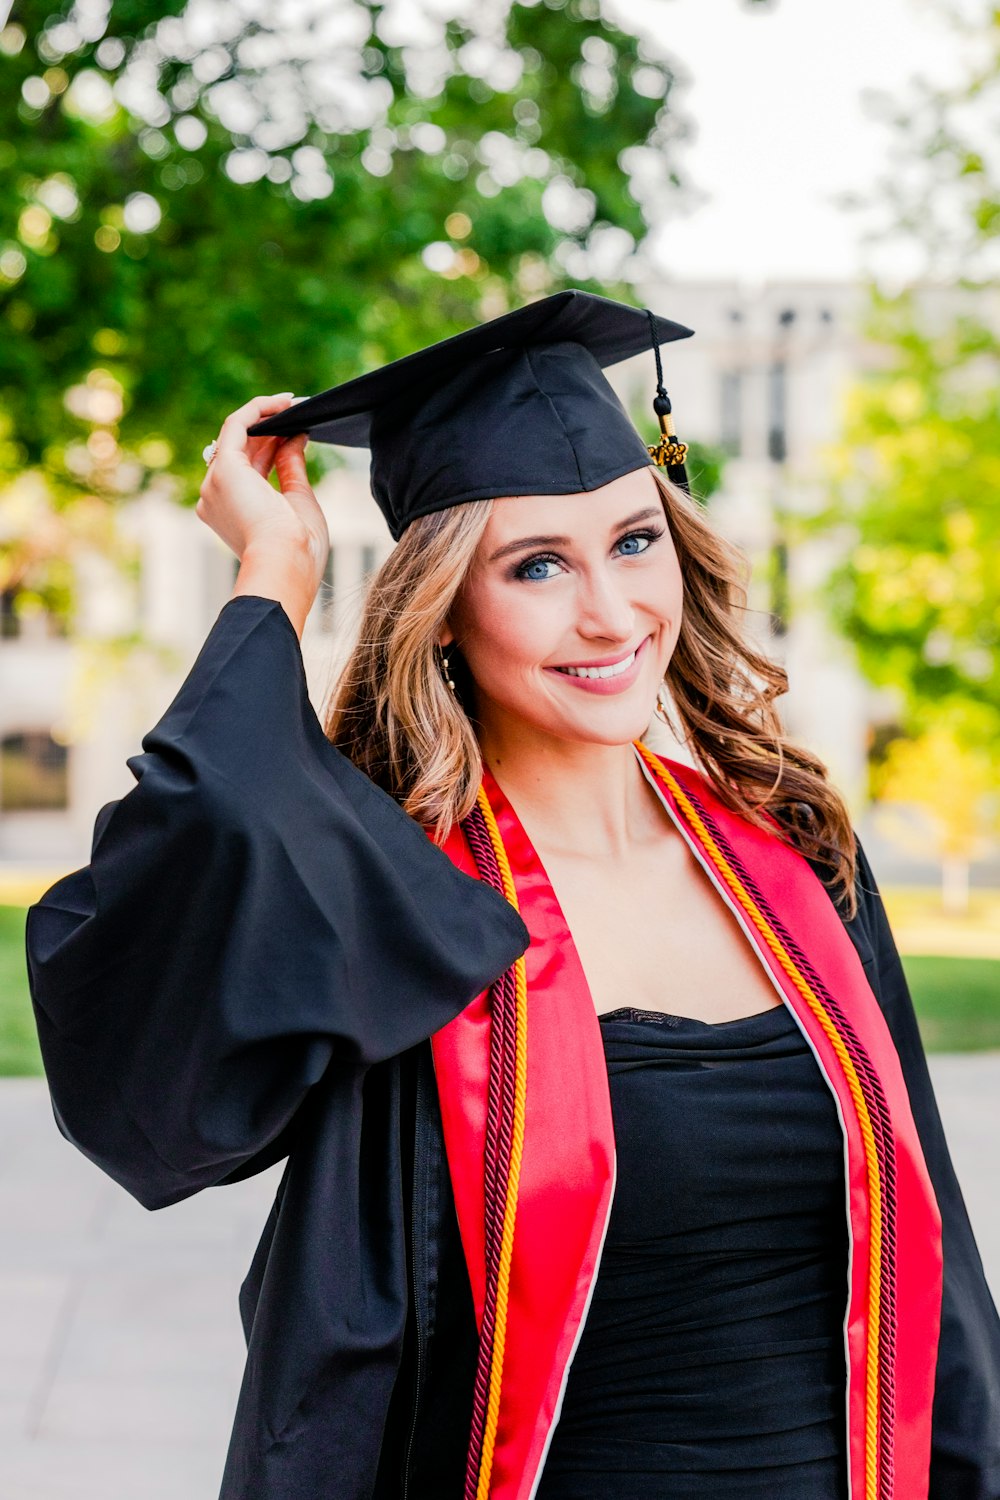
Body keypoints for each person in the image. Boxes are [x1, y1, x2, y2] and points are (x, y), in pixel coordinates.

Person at [25, 290, 1000, 1500]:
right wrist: (273, 568)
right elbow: (167, 930)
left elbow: (939, 1278)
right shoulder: (395, 911)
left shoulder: (798, 864)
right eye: (537, 565)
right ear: (444, 609)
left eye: (633, 542)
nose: (609, 613)